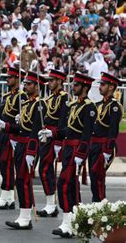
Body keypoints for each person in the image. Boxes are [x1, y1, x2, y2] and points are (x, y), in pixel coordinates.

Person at [0, 71, 47, 230]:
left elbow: (35, 131)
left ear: (37, 87)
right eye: (25, 83)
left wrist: (31, 152)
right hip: (21, 145)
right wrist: (6, 126)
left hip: (29, 146)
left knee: (24, 181)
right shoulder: (27, 104)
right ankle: (23, 215)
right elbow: (21, 129)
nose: (25, 86)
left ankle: (25, 217)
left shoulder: (39, 105)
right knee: (20, 180)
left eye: (29, 84)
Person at [52, 72, 96, 238]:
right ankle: (74, 221)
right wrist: (52, 135)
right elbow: (67, 130)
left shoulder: (89, 108)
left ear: (85, 88)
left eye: (76, 85)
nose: (73, 87)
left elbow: (86, 133)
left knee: (63, 183)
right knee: (70, 185)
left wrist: (81, 154)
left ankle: (67, 222)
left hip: (77, 150)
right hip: (68, 149)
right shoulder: (73, 106)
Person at [0, 67, 27, 210]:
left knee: (9, 165)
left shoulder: (21, 96)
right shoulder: (6, 96)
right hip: (4, 133)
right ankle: (8, 197)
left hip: (13, 134)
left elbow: (22, 118)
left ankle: (6, 196)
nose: (7, 79)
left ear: (18, 79)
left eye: (10, 77)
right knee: (3, 165)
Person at [36, 70, 68, 217]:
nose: (49, 83)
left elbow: (63, 120)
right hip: (46, 136)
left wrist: (58, 141)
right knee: (44, 169)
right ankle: (50, 203)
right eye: (49, 80)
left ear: (60, 82)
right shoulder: (49, 98)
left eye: (53, 80)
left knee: (46, 169)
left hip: (55, 136)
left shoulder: (64, 97)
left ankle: (51, 204)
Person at [88, 73, 122, 202]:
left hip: (105, 146)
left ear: (111, 87)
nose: (100, 87)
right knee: (93, 176)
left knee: (98, 176)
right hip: (94, 145)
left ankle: (100, 204)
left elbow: (113, 130)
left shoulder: (114, 107)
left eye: (103, 84)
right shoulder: (97, 105)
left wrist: (108, 150)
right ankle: (96, 203)